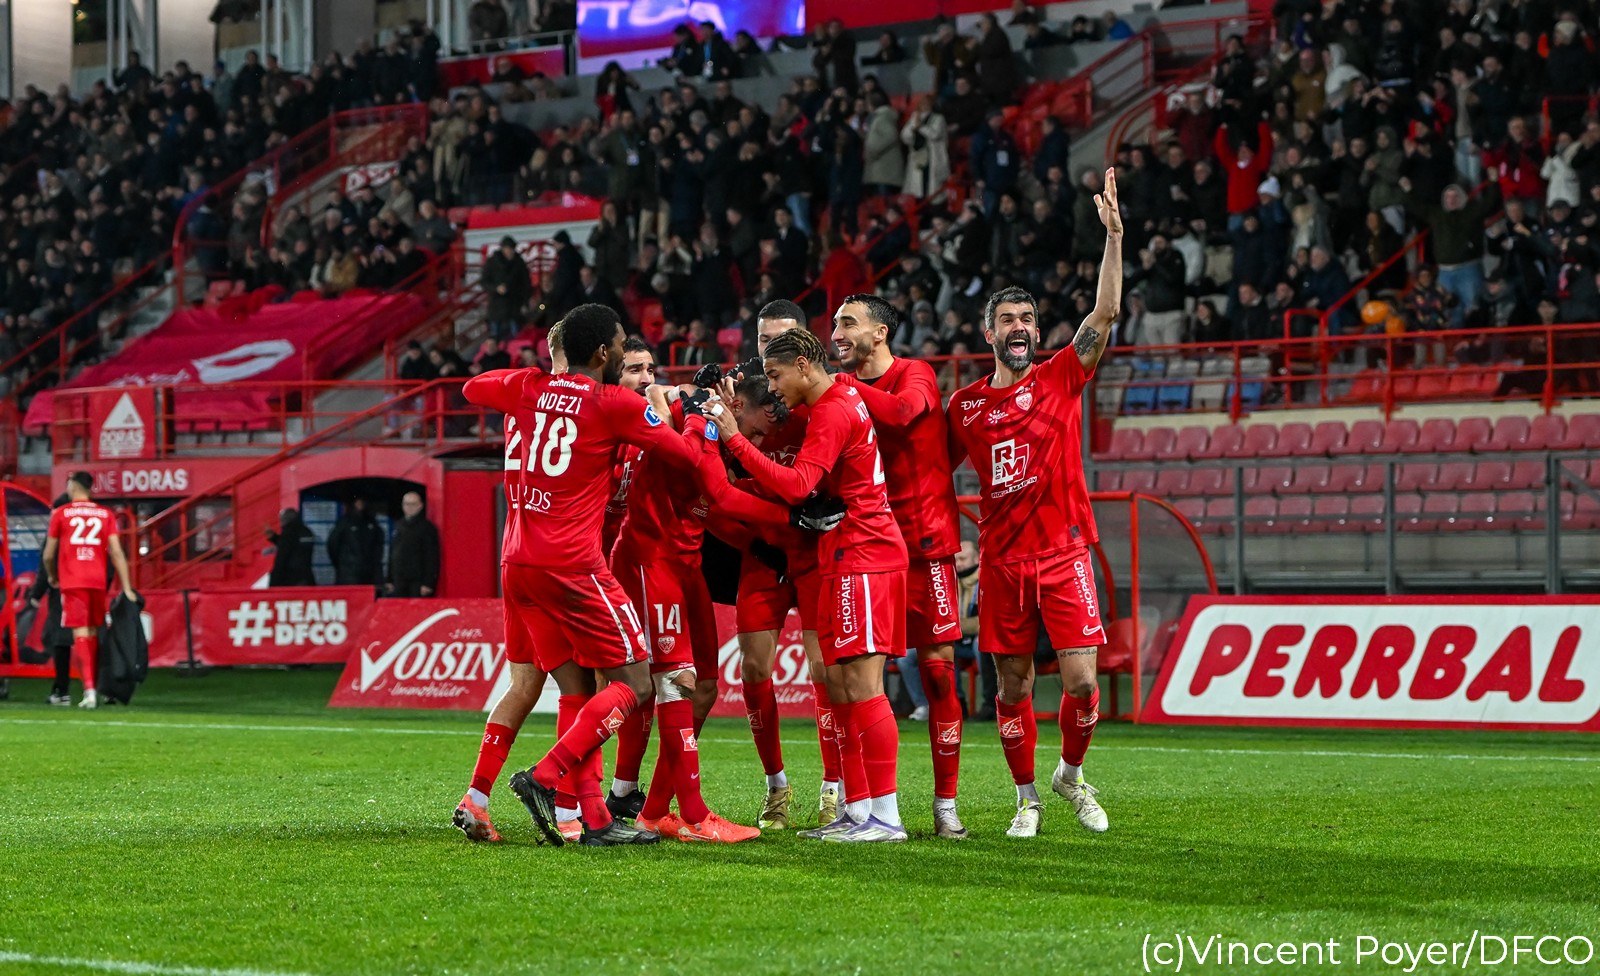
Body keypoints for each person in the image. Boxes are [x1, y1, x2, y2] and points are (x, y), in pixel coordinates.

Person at [462, 304, 834, 848]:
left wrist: (537, 384)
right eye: (626, 357)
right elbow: (691, 460)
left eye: (649, 369)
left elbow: (474, 390)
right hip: (588, 562)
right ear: (605, 356)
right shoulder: (616, 406)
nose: (638, 373)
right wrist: (707, 424)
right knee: (638, 682)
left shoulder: (530, 388)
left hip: (524, 560)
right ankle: (555, 781)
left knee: (584, 685)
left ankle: (588, 815)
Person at [944, 168, 1121, 839]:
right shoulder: (964, 407)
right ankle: (1027, 798)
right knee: (1011, 689)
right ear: (987, 332)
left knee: (1080, 683)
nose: (1019, 328)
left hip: (1063, 552)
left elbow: (1103, 314)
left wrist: (1113, 241)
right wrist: (943, 542)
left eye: (1027, 319)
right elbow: (928, 474)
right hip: (1002, 563)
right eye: (1008, 320)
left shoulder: (1060, 377)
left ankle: (1070, 776)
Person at [708, 328, 911, 844]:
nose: (772, 388)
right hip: (846, 552)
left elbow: (799, 485)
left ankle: (885, 817)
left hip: (866, 552)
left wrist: (732, 436)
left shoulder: (833, 409)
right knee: (841, 683)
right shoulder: (834, 402)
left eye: (775, 375)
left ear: (802, 365)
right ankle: (859, 809)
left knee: (863, 686)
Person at [829, 293, 969, 840]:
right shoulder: (841, 393)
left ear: (880, 332)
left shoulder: (915, 374)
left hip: (924, 543)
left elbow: (904, 414)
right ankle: (864, 809)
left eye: (848, 323)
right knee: (856, 678)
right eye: (835, 324)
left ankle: (945, 803)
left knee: (936, 671)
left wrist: (842, 387)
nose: (837, 333)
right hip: (864, 546)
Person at [725, 300, 840, 830]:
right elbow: (716, 492)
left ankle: (833, 788)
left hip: (816, 555)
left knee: (824, 672)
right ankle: (776, 786)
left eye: (781, 338)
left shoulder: (821, 404)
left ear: (804, 347)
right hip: (764, 555)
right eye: (763, 338)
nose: (769, 346)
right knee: (752, 670)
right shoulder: (740, 398)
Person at [42, 472, 137, 710]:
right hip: (97, 580)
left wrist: (53, 576)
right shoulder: (105, 514)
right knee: (94, 632)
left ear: (71, 487)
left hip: (73, 581)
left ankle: (90, 692)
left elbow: (48, 554)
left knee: (80, 633)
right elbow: (116, 552)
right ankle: (95, 688)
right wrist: (126, 587)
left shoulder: (60, 514)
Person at [386, 492, 440, 597]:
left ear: (420, 506)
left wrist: (428, 583)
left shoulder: (427, 528)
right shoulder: (399, 525)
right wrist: (389, 579)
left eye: (413, 504)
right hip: (399, 580)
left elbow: (431, 557)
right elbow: (392, 553)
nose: (409, 507)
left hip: (417, 582)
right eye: (406, 504)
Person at [267, 508, 316, 587]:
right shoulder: (307, 531)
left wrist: (272, 585)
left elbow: (282, 557)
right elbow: (295, 546)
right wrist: (274, 538)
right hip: (307, 578)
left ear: (284, 520)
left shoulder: (288, 532)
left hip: (291, 581)